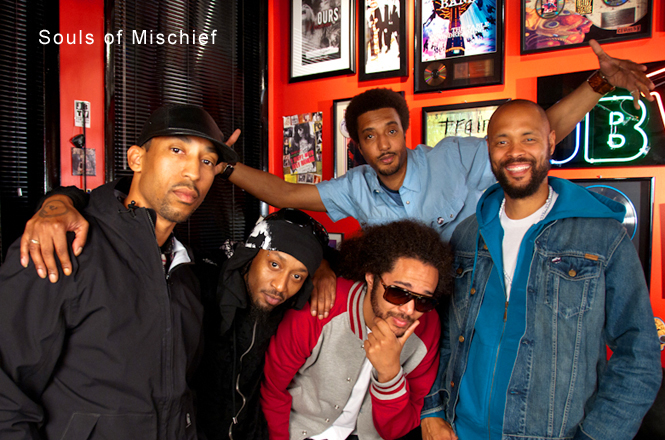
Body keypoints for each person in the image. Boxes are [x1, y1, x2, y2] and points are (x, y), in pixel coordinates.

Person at [17, 41, 654, 321]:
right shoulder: (355, 187)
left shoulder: (457, 156)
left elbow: (536, 136)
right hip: (409, 308)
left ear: (406, 131)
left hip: (481, 291)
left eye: (391, 130)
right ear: (359, 146)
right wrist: (220, 164)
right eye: (370, 136)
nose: (384, 144)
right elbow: (284, 194)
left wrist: (599, 84)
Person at [419, 99, 662, 440]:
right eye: (502, 140)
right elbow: (443, 332)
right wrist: (432, 408)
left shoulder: (602, 236)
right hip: (460, 431)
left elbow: (639, 354)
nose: (514, 152)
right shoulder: (467, 234)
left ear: (550, 141)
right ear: (489, 149)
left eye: (528, 138)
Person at [0, 104, 239, 438]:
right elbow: (6, 395)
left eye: (207, 161)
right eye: (177, 150)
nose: (193, 172)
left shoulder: (185, 271)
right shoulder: (64, 247)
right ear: (136, 159)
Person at [260, 219, 452, 440]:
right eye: (398, 292)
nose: (409, 310)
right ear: (371, 278)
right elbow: (272, 390)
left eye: (423, 300)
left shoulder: (427, 327)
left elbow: (397, 430)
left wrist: (389, 374)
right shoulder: (323, 306)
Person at [194, 208, 328, 440]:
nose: (280, 286)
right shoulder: (201, 287)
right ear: (250, 255)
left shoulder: (288, 307)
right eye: (274, 265)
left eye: (297, 276)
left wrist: (326, 269)